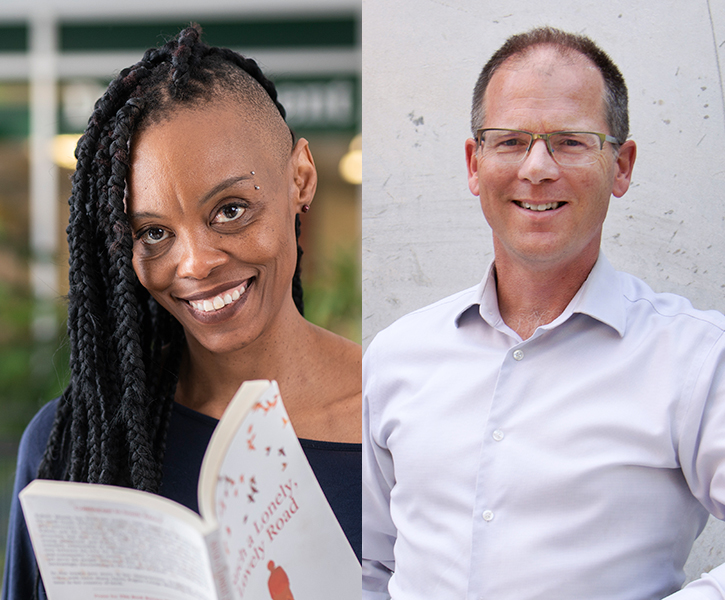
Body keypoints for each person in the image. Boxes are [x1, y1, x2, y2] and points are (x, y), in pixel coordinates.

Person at [362, 26, 725, 599]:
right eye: (509, 141)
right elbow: (369, 567)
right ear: (473, 163)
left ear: (622, 166)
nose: (537, 168)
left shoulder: (696, 359)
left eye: (571, 141)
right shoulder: (395, 356)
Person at [3, 25, 361, 600]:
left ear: (301, 178)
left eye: (231, 210)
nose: (194, 264)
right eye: (153, 232)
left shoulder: (399, 425)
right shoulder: (69, 446)